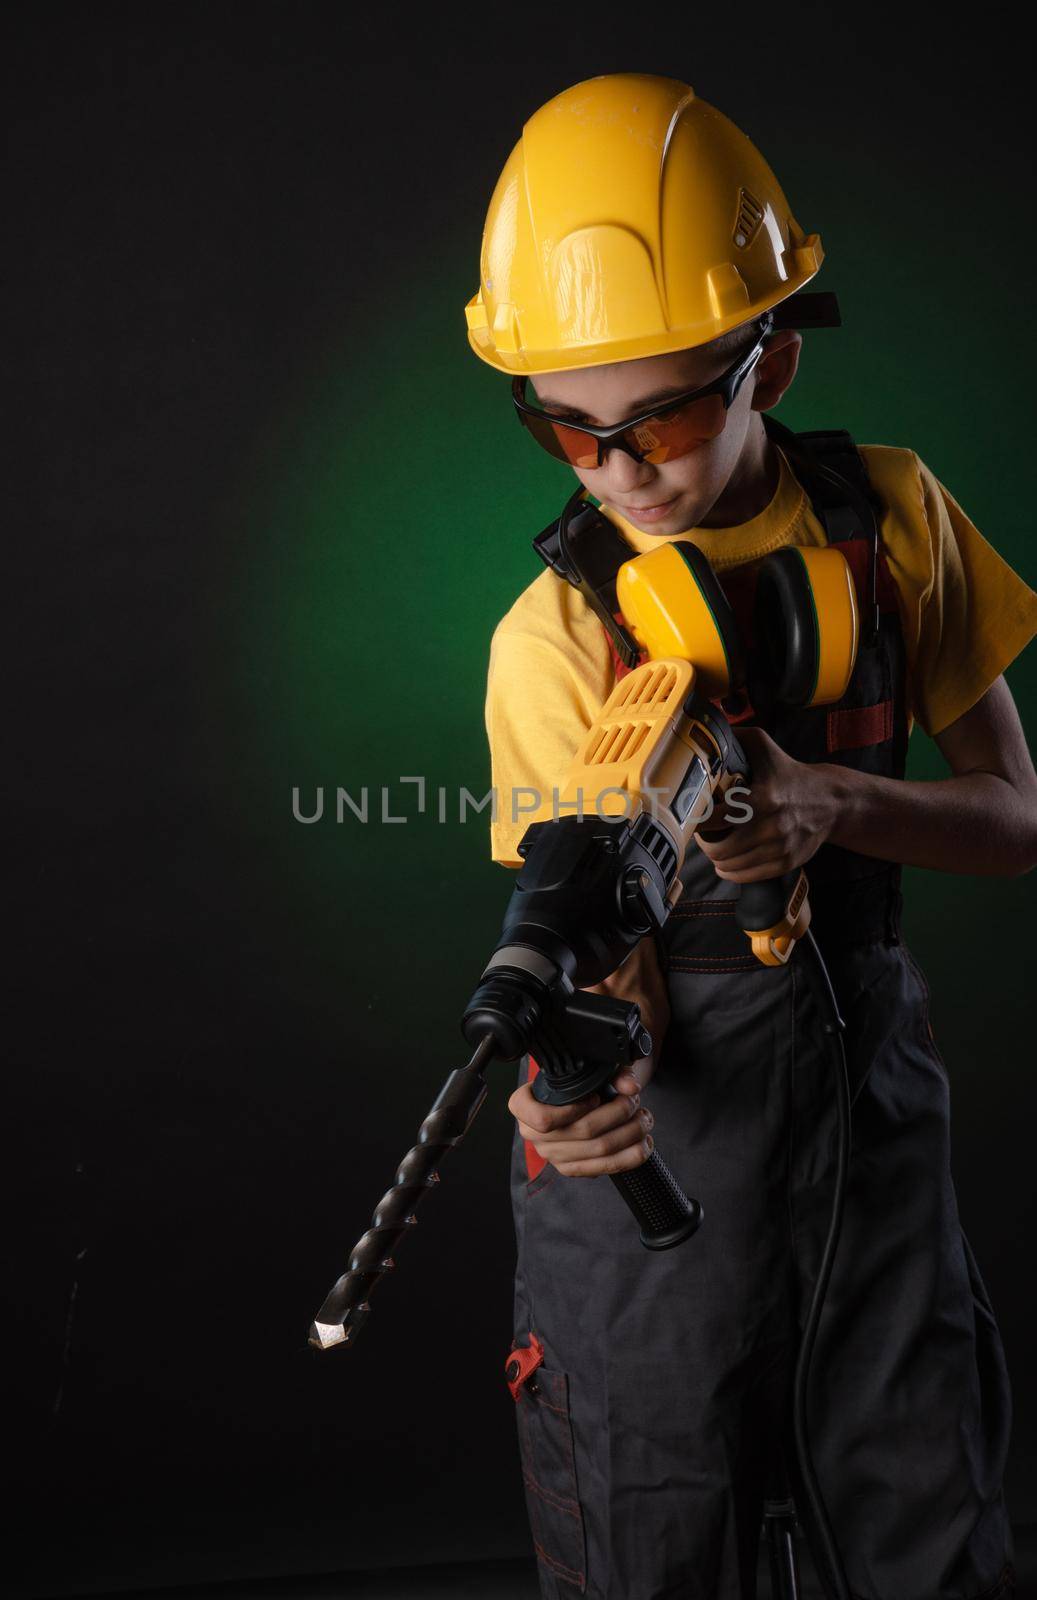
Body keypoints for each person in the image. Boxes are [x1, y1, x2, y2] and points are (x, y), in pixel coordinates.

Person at [465, 73, 1037, 1600]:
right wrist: (586, 1070)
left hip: (866, 1091)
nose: (617, 470)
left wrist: (832, 801)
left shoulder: (895, 520)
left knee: (921, 1512)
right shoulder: (552, 638)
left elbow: (1013, 820)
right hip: (676, 1141)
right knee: (656, 1527)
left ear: (767, 356)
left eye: (656, 416)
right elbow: (602, 952)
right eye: (564, 432)